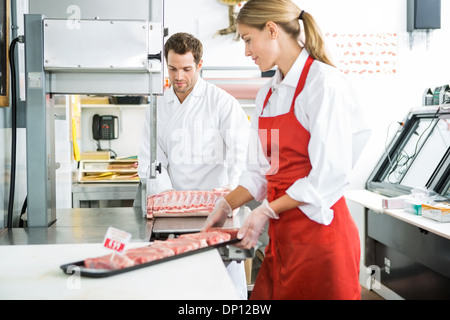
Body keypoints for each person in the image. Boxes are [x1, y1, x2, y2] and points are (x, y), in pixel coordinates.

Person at [203, 0, 371, 300]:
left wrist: (267, 210)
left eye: (247, 40)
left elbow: (328, 176)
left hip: (321, 239)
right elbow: (258, 172)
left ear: (271, 30)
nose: (246, 51)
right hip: (283, 240)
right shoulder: (268, 94)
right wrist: (225, 206)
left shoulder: (324, 84)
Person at [138, 32, 250, 299]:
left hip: (217, 209)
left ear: (200, 65)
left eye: (187, 69)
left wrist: (229, 197)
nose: (179, 77)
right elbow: (151, 159)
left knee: (221, 287)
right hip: (173, 212)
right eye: (173, 69)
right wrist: (169, 202)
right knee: (180, 287)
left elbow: (241, 151)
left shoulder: (220, 102)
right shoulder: (157, 107)